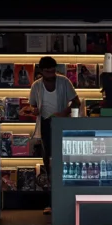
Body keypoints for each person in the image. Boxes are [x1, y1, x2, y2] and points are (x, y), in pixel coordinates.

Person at [23, 56, 80, 215]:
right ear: (41, 71)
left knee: (66, 162)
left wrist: (63, 113)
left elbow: (77, 102)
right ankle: (52, 202)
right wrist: (34, 111)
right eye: (47, 71)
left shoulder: (64, 82)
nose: (51, 73)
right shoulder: (36, 86)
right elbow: (33, 106)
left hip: (62, 125)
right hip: (46, 125)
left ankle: (67, 200)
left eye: (53, 70)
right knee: (48, 164)